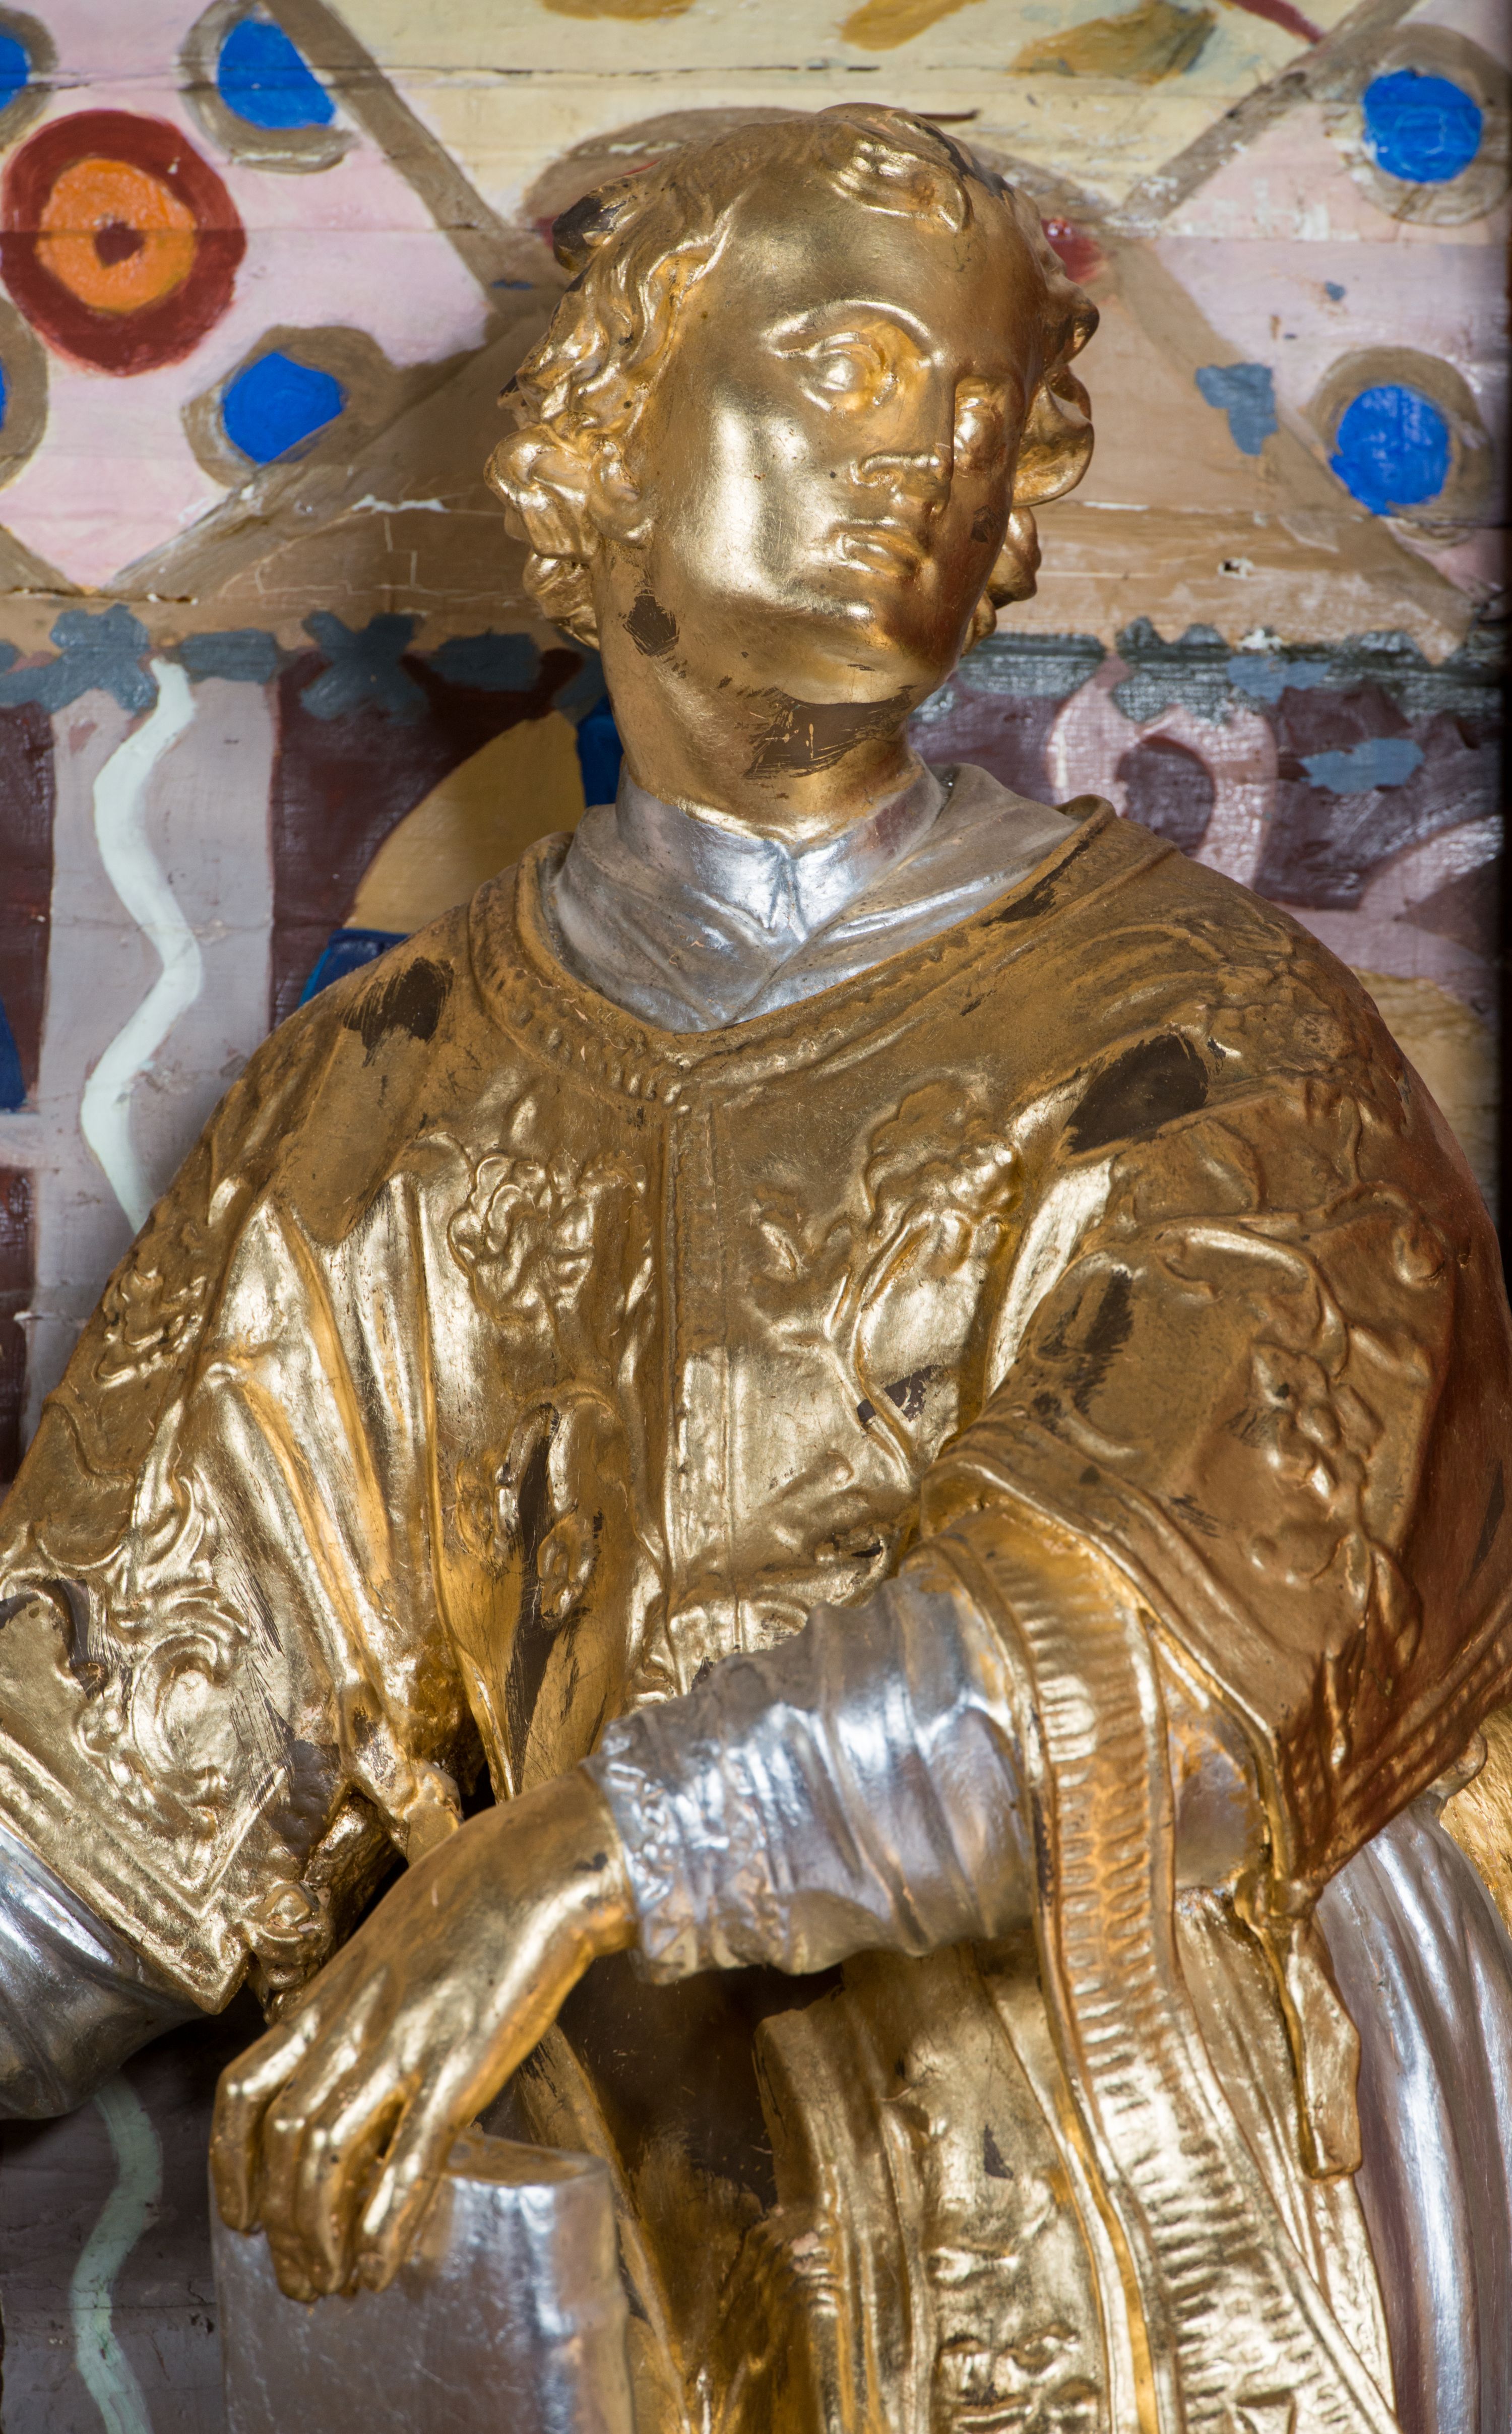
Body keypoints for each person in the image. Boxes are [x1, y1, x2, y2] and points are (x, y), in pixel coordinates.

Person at [1, 107, 1509, 2434]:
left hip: (1125, 2200)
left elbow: (1165, 1637)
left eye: (981, 410)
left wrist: (577, 1853)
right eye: (852, 368)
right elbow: (110, 1777)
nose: (931, 454)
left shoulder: (1202, 1024)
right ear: (616, 417)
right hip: (629, 2264)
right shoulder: (382, 1099)